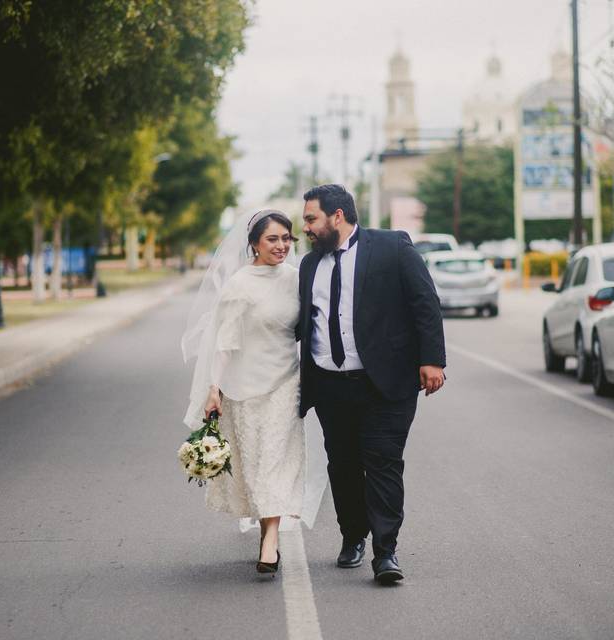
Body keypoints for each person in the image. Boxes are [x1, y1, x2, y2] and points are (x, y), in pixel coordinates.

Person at [297, 184, 446, 585]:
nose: (305, 227)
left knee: (382, 463)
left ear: (338, 216)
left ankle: (386, 552)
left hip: (385, 383)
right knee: (342, 466)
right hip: (330, 385)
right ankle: (352, 536)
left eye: (311, 218)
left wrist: (432, 359)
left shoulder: (391, 246)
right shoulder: (310, 265)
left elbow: (424, 303)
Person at [182, 209, 327, 576]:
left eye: (285, 238)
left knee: (275, 459)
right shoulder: (239, 285)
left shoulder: (297, 279)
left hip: (285, 382)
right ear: (254, 244)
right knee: (256, 464)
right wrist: (213, 388)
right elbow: (224, 343)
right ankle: (269, 532)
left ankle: (270, 542)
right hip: (243, 387)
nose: (281, 246)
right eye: (272, 239)